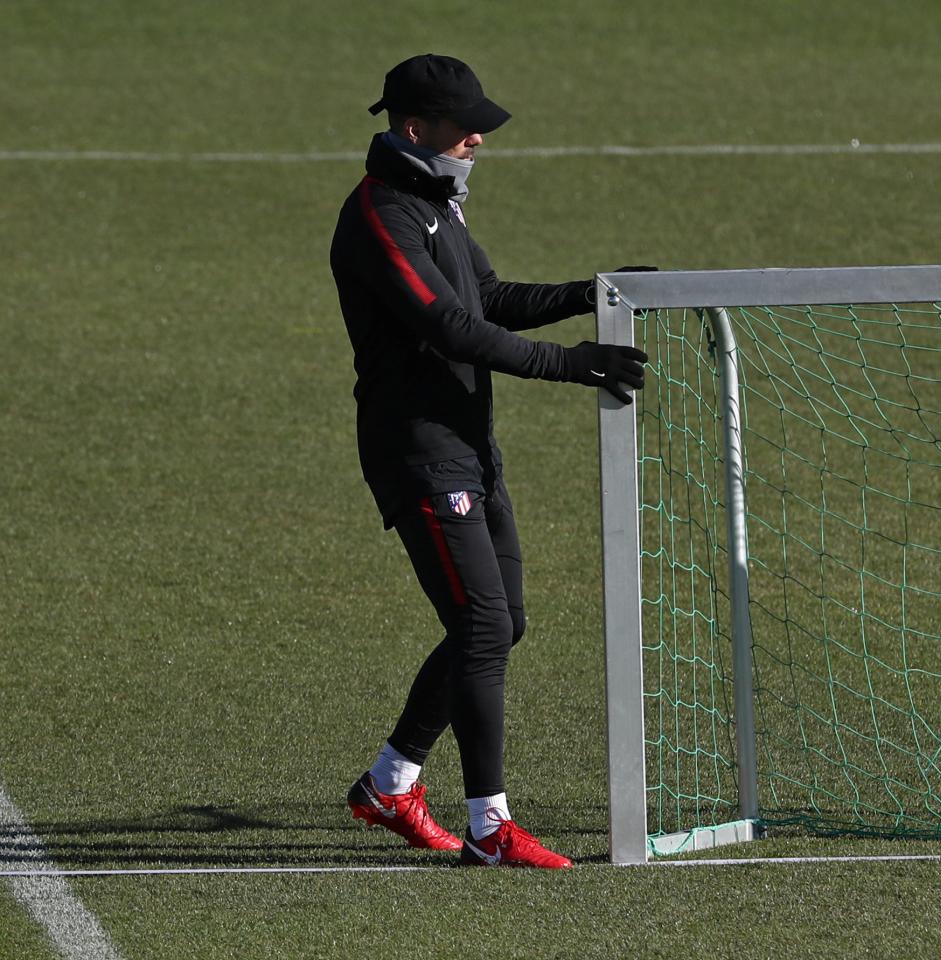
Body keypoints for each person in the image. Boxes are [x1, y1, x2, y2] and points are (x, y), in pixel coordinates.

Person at [328, 53, 649, 869]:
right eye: (462, 127)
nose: (477, 138)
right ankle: (489, 827)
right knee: (480, 624)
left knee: (502, 623)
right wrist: (572, 365)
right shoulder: (380, 216)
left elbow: (490, 299)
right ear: (414, 129)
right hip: (420, 452)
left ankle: (390, 783)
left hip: (471, 446)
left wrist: (593, 292)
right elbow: (449, 328)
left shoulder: (436, 203)